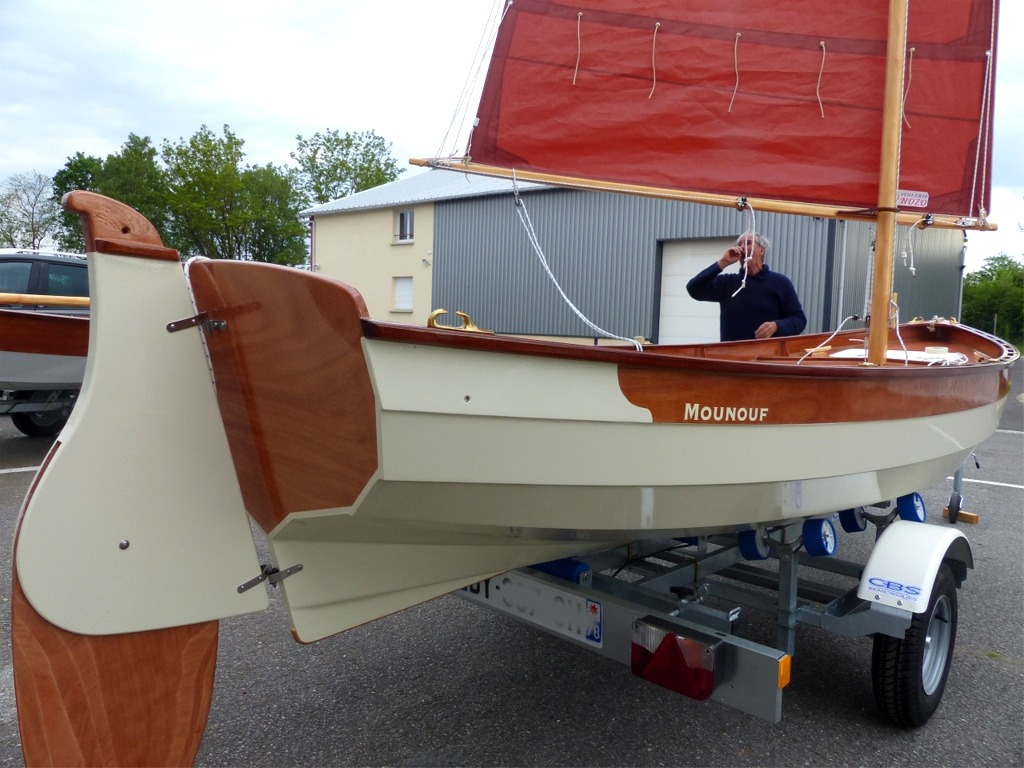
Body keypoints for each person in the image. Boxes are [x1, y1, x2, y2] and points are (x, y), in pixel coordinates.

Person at [686, 232, 806, 341]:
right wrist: (723, 262)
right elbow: (694, 289)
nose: (742, 247)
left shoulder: (780, 282)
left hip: (768, 358)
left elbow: (799, 319)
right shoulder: (727, 283)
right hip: (732, 358)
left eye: (748, 243)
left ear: (761, 250)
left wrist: (777, 326)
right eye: (739, 244)